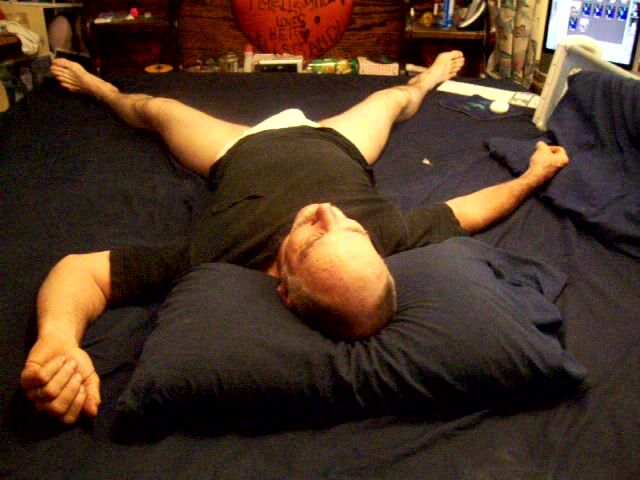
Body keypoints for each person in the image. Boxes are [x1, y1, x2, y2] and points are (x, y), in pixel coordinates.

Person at [20, 51, 570, 424]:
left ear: (282, 287)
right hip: (337, 141)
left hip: (237, 148)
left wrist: (58, 339)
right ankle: (427, 79)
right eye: (350, 227)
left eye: (311, 237)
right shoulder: (387, 234)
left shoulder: (214, 256)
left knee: (155, 109)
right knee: (394, 100)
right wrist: (531, 177)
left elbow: (81, 271)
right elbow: (465, 212)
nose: (326, 211)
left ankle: (102, 90)